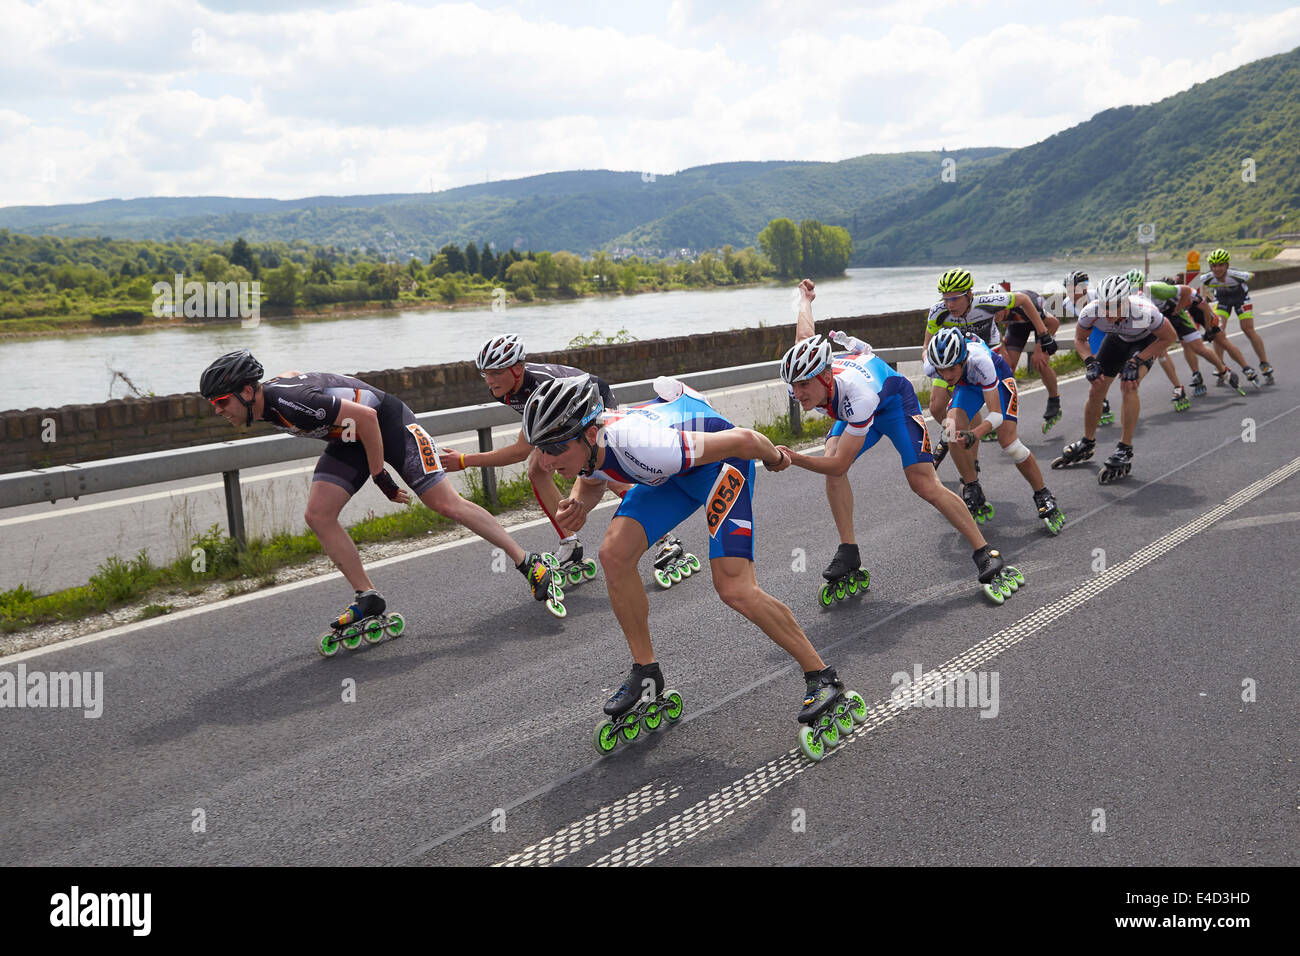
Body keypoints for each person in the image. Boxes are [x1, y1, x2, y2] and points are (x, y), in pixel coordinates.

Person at [525, 373, 865, 762]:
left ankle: (822, 677)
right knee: (614, 555)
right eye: (541, 448)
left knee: (734, 587)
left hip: (719, 465)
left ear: (588, 433)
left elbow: (747, 440)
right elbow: (593, 476)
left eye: (554, 447)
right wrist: (579, 503)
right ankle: (646, 672)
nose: (546, 460)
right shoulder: (588, 445)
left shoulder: (644, 443)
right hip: (672, 475)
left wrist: (776, 459)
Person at [198, 349, 558, 651]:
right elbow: (296, 374)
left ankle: (528, 561)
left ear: (247, 391)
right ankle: (367, 597)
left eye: (221, 401)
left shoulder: (291, 403)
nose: (217, 411)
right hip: (350, 438)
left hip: (389, 425)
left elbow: (368, 417)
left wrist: (380, 475)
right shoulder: (271, 401)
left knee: (444, 503)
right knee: (318, 515)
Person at [777, 279, 1024, 605]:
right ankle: (848, 550)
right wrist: (806, 298)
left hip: (893, 405)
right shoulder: (814, 366)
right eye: (793, 388)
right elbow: (805, 333)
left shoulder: (857, 396)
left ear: (825, 377)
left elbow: (840, 464)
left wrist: (791, 457)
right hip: (857, 408)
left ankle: (984, 552)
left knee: (922, 483)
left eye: (804, 386)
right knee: (831, 457)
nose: (798, 394)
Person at [438, 334, 634, 586]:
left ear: (517, 369)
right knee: (537, 469)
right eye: (485, 373)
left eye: (496, 373)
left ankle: (664, 538)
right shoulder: (504, 390)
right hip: (565, 409)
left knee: (603, 470)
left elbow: (520, 450)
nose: (489, 380)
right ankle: (570, 542)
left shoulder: (539, 388)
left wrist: (465, 460)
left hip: (594, 401)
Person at [922, 328, 1065, 535]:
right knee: (951, 430)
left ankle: (1043, 494)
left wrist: (976, 433)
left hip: (997, 379)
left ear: (962, 360)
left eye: (951, 369)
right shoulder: (932, 367)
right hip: (968, 385)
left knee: (1009, 444)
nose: (946, 375)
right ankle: (972, 486)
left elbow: (996, 415)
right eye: (941, 370)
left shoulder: (981, 362)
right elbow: (927, 354)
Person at [924, 268, 1057, 467]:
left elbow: (1022, 299)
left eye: (954, 298)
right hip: (953, 358)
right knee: (935, 407)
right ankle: (950, 434)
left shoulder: (986, 303)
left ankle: (971, 455)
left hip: (984, 353)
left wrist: (1043, 334)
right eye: (945, 298)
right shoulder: (938, 311)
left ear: (969, 295)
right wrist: (931, 362)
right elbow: (926, 345)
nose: (949, 304)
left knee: (972, 403)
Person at [1051, 276, 1177, 483]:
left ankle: (1124, 449)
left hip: (1145, 342)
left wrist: (1138, 360)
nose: (1108, 313)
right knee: (1096, 387)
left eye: (1113, 307)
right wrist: (1090, 362)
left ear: (1126, 301)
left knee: (1129, 384)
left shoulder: (1145, 312)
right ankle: (1087, 442)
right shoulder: (1090, 310)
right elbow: (1080, 340)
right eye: (1104, 307)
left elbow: (1169, 337)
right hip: (1117, 339)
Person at [1129, 271, 1244, 403]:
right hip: (1158, 318)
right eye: (1132, 290)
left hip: (1175, 314)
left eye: (1138, 289)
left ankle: (1224, 371)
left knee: (1198, 348)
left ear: (1144, 286)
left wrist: (1178, 309)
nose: (1136, 293)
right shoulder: (1131, 299)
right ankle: (1178, 387)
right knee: (1160, 352)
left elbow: (1186, 290)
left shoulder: (1157, 288)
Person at [989, 280, 1065, 433]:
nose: (995, 316)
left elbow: (1053, 323)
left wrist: (1039, 349)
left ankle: (1054, 400)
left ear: (1006, 305)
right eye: (993, 312)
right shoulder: (989, 312)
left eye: (998, 311)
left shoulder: (1021, 304)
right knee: (1006, 369)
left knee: (1039, 362)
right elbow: (995, 333)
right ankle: (1001, 414)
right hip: (1017, 326)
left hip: (1041, 324)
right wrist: (1003, 349)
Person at [1195, 249, 1273, 385]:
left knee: (1248, 329)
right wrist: (1206, 294)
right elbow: (1191, 284)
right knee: (1218, 332)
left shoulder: (1236, 275)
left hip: (1241, 300)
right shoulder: (1207, 278)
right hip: (1222, 301)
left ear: (1227, 265)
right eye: (1214, 266)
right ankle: (1220, 365)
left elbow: (1252, 275)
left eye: (1221, 265)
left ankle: (1264, 363)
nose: (1217, 269)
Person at [1062, 271, 1114, 426]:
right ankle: (1103, 402)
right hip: (1094, 330)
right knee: (1096, 366)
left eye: (1073, 290)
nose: (1070, 294)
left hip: (1112, 326)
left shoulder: (1098, 296)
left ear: (1084, 290)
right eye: (1068, 290)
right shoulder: (1066, 303)